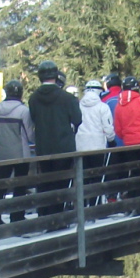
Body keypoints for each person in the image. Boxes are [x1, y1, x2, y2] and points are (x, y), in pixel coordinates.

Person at [27, 60, 81, 219]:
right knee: (62, 183)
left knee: (45, 182)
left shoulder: (33, 98)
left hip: (43, 147)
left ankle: (44, 215)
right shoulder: (67, 98)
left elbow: (33, 119)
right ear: (56, 75)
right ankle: (58, 217)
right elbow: (77, 119)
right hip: (64, 146)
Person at [0, 78, 34, 224]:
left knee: (0, 186)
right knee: (19, 185)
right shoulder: (23, 111)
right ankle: (17, 215)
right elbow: (30, 135)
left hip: (2, 154)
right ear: (21, 94)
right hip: (20, 153)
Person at [76, 77, 115, 194]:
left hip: (80, 145)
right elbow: (107, 126)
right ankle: (95, 203)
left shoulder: (79, 105)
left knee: (83, 177)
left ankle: (83, 203)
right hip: (97, 145)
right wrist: (111, 140)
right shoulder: (102, 107)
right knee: (97, 176)